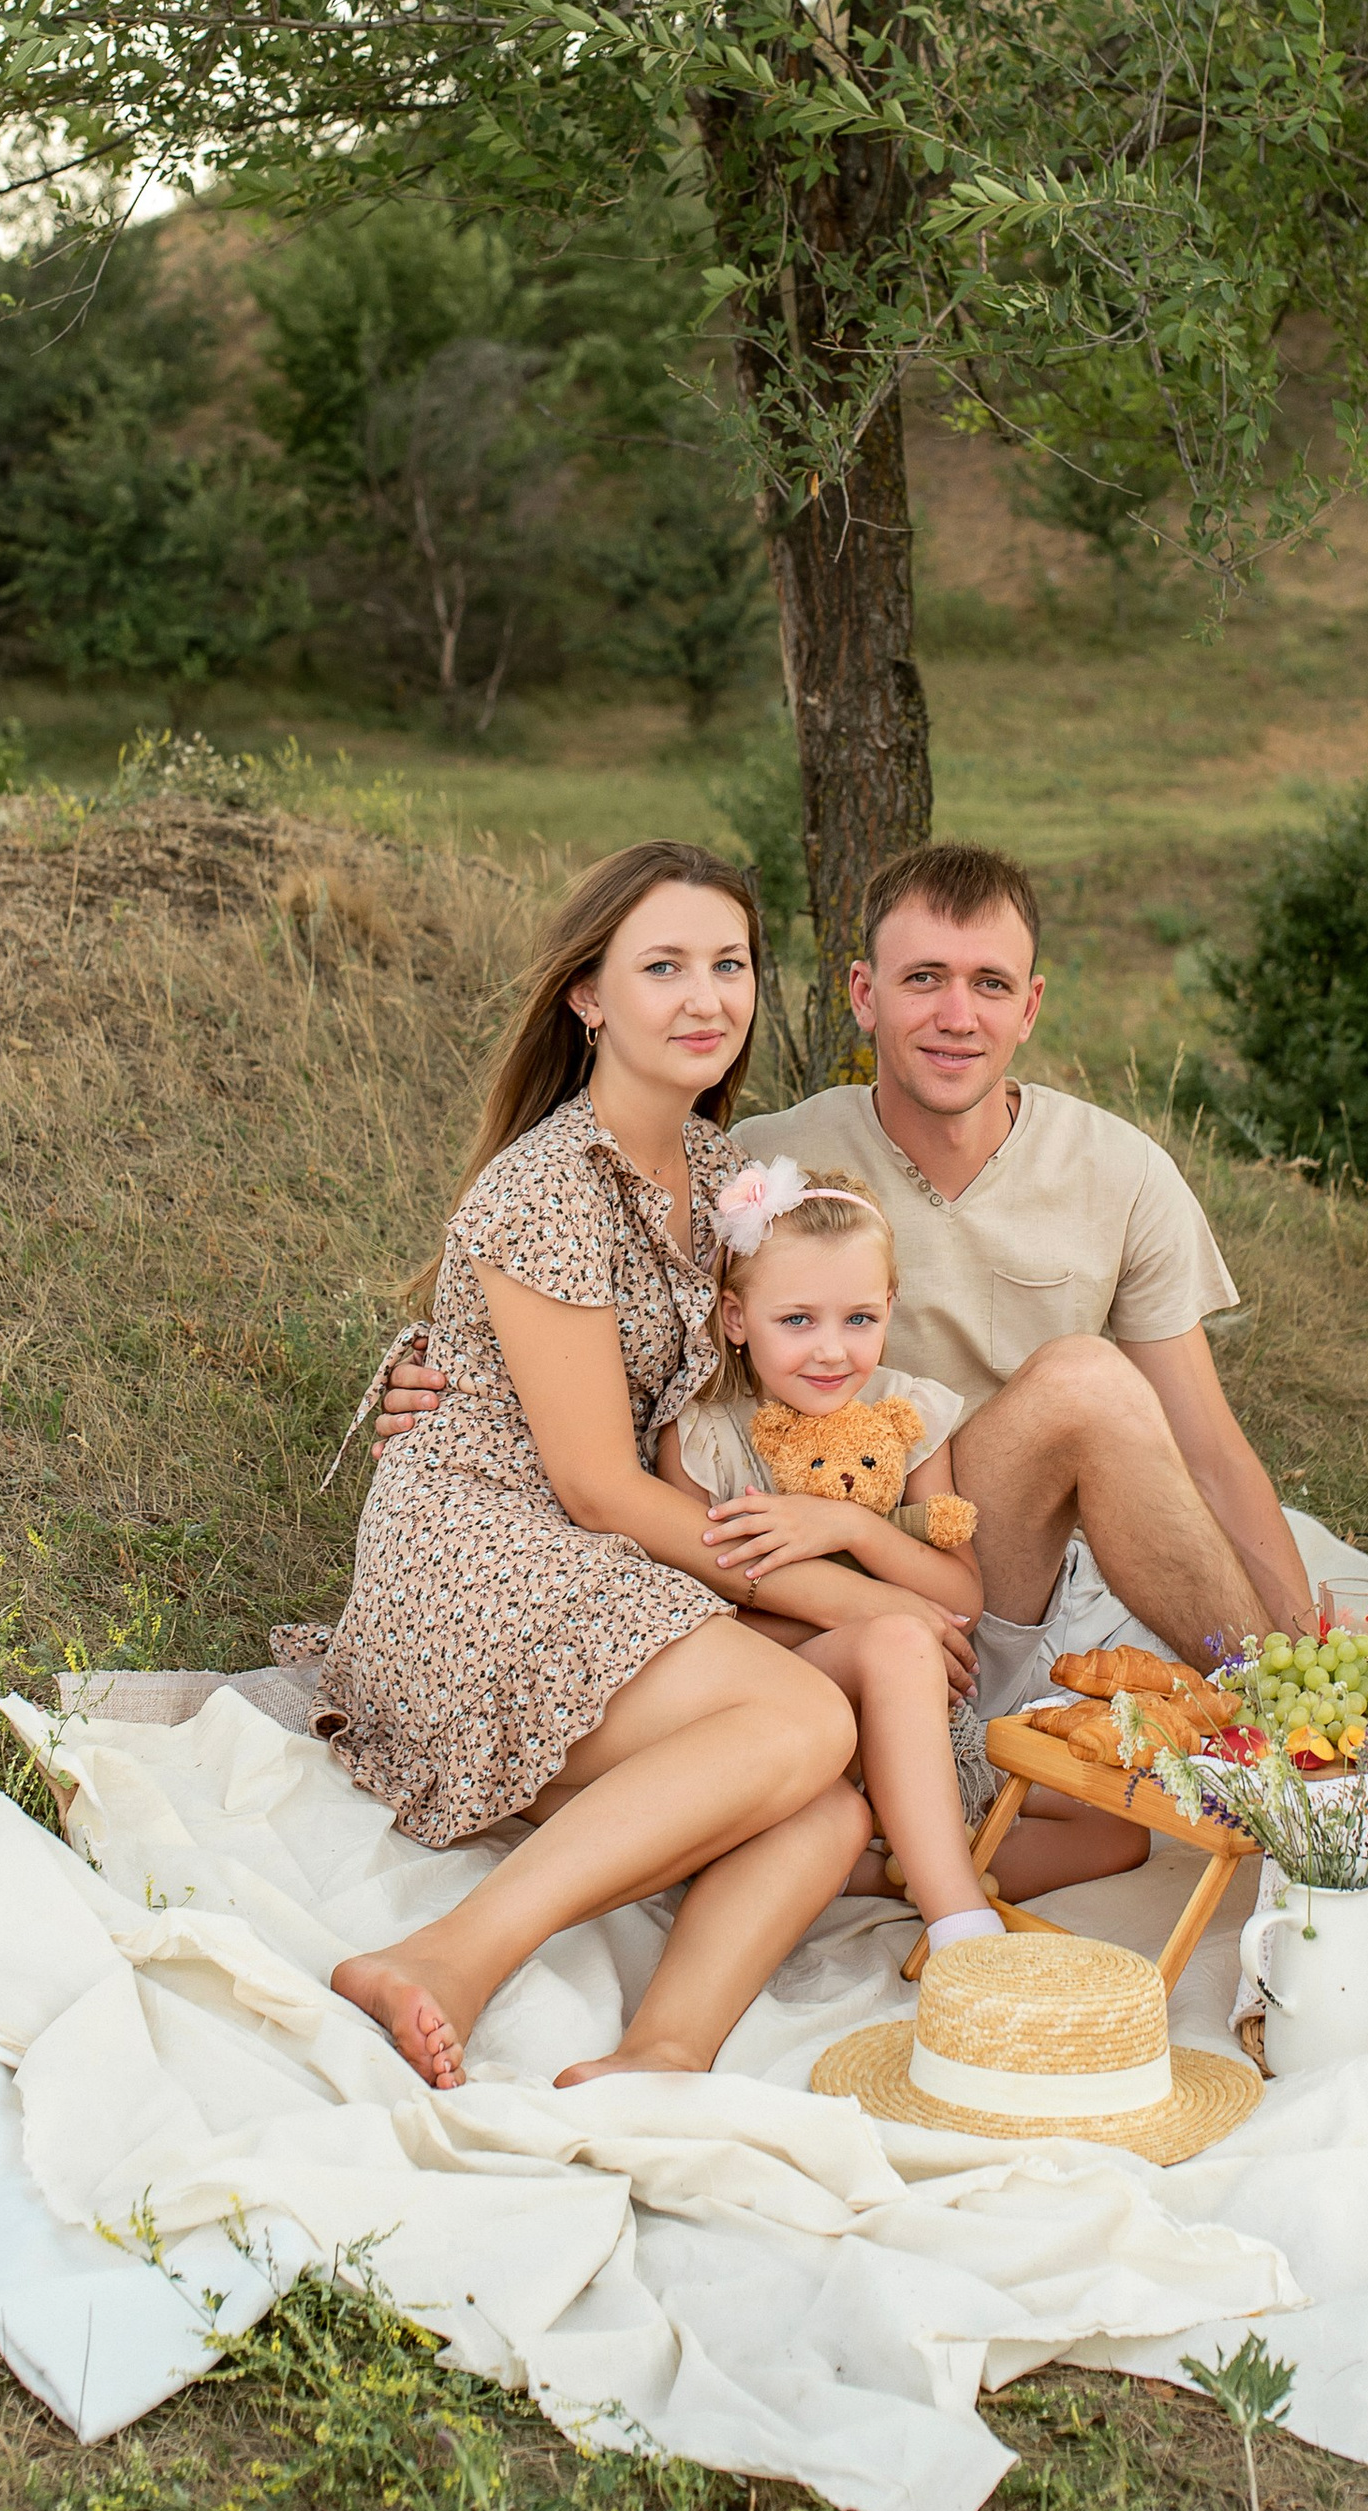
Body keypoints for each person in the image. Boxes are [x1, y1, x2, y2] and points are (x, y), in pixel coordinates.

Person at [310, 840, 984, 2097]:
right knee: (800, 1715)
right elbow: (598, 1489)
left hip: (627, 1561)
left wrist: (869, 1558)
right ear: (589, 996)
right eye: (662, 965)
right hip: (486, 1555)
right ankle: (443, 1956)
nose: (704, 997)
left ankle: (659, 2051)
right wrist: (862, 1600)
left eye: (727, 964)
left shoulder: (730, 1179)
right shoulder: (544, 1190)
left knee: (829, 1801)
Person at [381, 838, 1316, 1716]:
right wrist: (435, 1382)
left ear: (1028, 1007)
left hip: (964, 1545)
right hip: (797, 1557)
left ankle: (1296, 1708)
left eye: (989, 983)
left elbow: (1209, 1451)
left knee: (1087, 1385)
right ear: (863, 996)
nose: (957, 1016)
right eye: (923, 980)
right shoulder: (763, 1169)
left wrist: (1307, 1645)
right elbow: (600, 1311)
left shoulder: (1119, 1168)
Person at [660, 1160, 1150, 1960]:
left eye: (858, 1318)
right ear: (737, 1316)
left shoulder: (904, 1415)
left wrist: (849, 1527)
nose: (830, 1350)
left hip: (917, 1717)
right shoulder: (709, 1437)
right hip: (787, 1698)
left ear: (890, 1305)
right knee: (888, 1665)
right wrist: (860, 1617)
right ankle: (947, 1898)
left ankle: (895, 1862)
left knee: (1117, 1830)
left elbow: (961, 1593)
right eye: (797, 1320)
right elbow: (691, 1618)